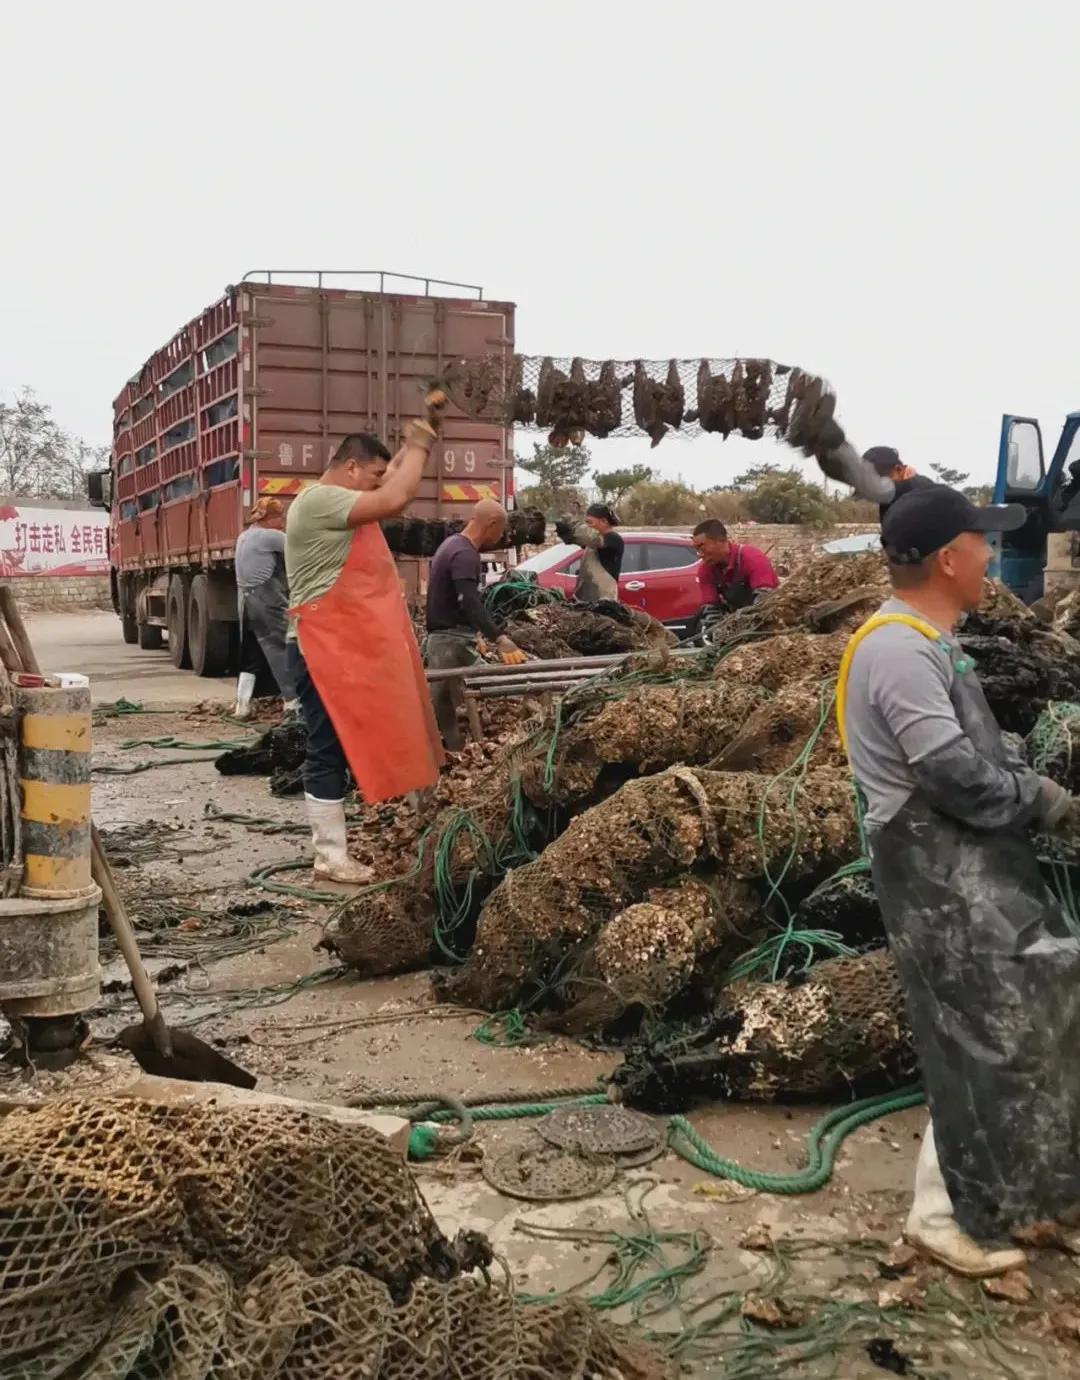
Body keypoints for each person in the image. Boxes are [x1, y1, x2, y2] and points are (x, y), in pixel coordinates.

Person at [836, 482, 1080, 1277]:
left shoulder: (929, 639)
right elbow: (953, 778)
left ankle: (1015, 1195)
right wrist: (1042, 799)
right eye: (981, 542)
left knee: (1012, 1030)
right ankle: (943, 1217)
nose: (990, 556)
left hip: (972, 876)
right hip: (939, 881)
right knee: (972, 1040)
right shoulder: (898, 649)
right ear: (949, 558)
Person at [286, 426, 444, 884]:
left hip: (348, 646)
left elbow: (391, 481)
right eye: (372, 474)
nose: (378, 483)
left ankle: (424, 820)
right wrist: (419, 446)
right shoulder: (320, 500)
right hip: (323, 646)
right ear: (349, 467)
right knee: (327, 747)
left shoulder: (340, 498)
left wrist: (409, 449)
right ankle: (330, 855)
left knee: (394, 725)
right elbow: (394, 498)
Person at [425, 499, 527, 751]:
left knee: (443, 704)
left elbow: (454, 598)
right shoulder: (465, 553)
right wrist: (499, 638)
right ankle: (463, 752)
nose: (501, 536)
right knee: (500, 686)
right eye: (501, 530)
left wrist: (473, 632)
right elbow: (469, 600)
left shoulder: (450, 545)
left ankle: (452, 752)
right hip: (451, 642)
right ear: (492, 524)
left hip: (446, 637)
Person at [232, 496, 299, 720]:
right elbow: (300, 551)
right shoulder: (270, 537)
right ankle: (292, 704)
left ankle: (242, 705)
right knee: (280, 648)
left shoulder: (245, 536)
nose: (283, 522)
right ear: (271, 518)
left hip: (246, 601)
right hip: (266, 601)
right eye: (281, 517)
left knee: (250, 651)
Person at [690, 519, 779, 611]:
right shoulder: (706, 570)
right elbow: (710, 608)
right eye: (696, 549)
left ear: (721, 541)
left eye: (702, 547)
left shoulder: (752, 558)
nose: (699, 554)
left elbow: (764, 602)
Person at [554, 504, 625, 602]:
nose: (587, 526)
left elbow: (591, 537)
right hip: (585, 599)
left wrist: (572, 525)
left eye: (589, 522)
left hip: (602, 601)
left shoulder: (613, 539)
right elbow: (580, 538)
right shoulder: (592, 543)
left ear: (604, 521)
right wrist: (567, 533)